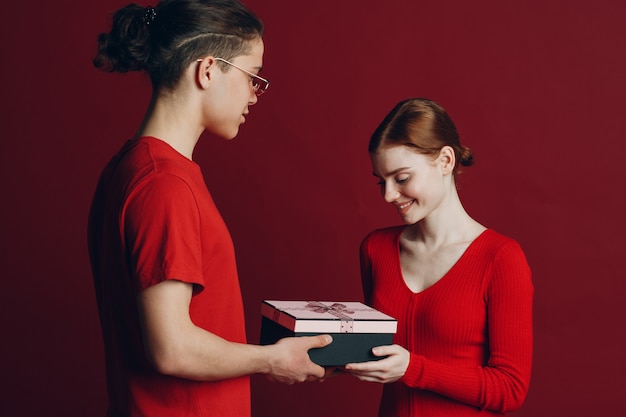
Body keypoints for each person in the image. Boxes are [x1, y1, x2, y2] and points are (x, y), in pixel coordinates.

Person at [87, 1, 332, 416]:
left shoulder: (130, 168)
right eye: (252, 76)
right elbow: (172, 348)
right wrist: (272, 359)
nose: (256, 94)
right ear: (207, 70)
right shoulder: (164, 185)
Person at [344, 98, 533, 416]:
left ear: (445, 160)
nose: (389, 194)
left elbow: (510, 389)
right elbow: (376, 351)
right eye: (382, 181)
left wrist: (413, 369)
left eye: (401, 179)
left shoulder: (500, 258)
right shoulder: (376, 249)